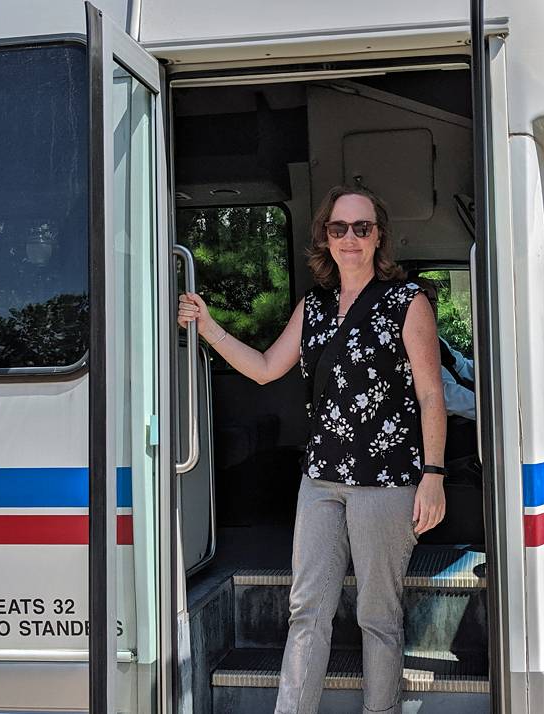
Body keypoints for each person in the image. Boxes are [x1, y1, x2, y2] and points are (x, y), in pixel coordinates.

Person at [178, 185, 447, 714]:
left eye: (361, 228)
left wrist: (433, 474)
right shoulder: (314, 306)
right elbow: (262, 368)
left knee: (378, 614)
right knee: (307, 610)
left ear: (378, 237)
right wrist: (208, 327)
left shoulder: (407, 302)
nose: (350, 238)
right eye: (338, 228)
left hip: (387, 482)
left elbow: (431, 394)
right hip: (321, 479)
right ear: (325, 236)